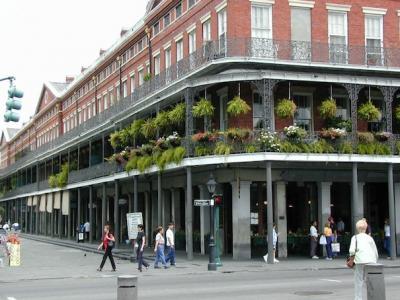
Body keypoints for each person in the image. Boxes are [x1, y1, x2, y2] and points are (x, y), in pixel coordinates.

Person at [349, 219, 378, 300]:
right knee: (370, 281)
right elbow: (375, 251)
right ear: (365, 228)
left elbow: (352, 251)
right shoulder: (370, 238)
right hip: (371, 261)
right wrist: (375, 260)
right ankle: (372, 297)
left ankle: (358, 298)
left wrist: (351, 260)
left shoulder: (355, 238)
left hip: (359, 261)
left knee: (358, 282)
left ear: (357, 228)